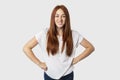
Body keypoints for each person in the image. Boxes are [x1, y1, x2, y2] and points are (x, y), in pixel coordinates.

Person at [23, 5, 95, 80]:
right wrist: (39, 63)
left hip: (68, 76)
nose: (60, 19)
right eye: (57, 16)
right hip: (49, 75)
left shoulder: (74, 34)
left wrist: (77, 59)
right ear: (53, 18)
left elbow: (90, 47)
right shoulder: (44, 34)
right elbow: (26, 48)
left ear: (67, 18)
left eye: (63, 16)